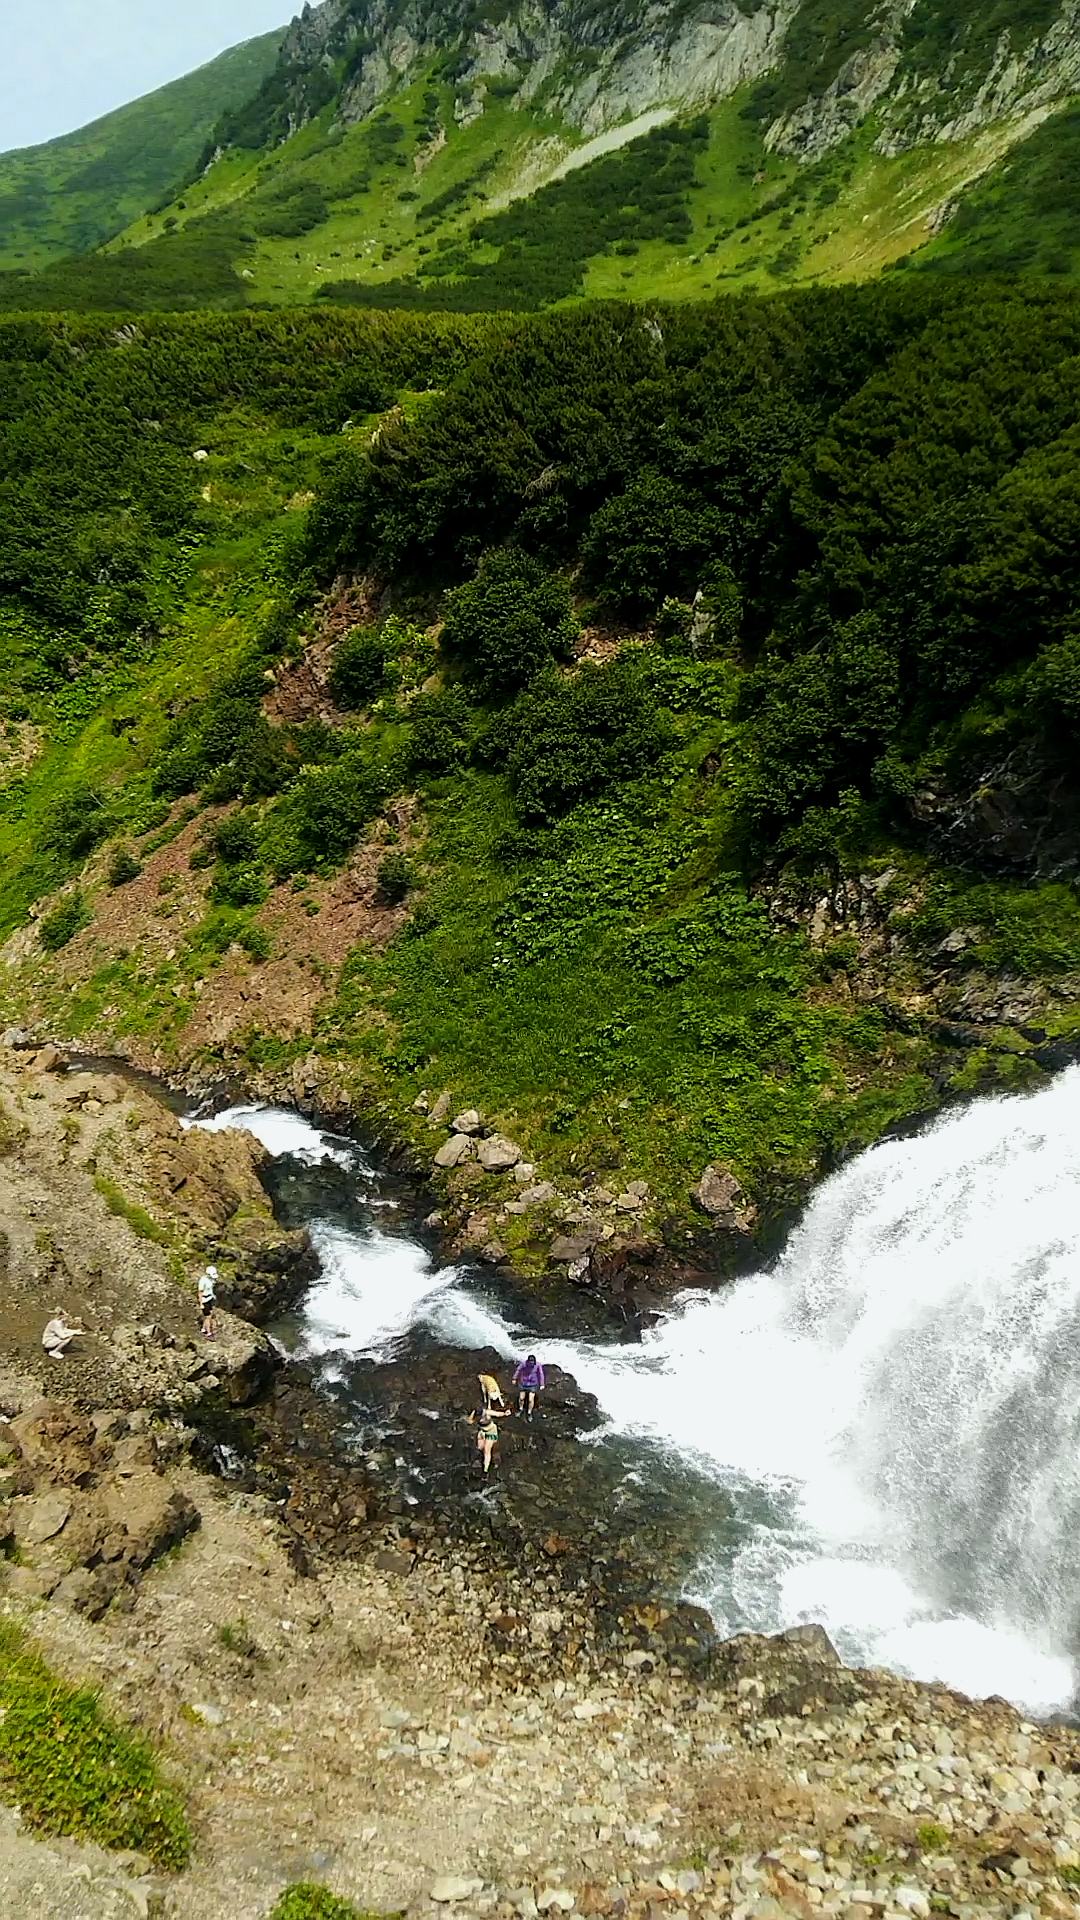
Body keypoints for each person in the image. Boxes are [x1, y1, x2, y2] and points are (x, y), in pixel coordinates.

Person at [513, 1353, 545, 1421]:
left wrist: (542, 1384)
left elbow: (541, 1374)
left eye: (532, 1362)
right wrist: (514, 1378)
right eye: (530, 1362)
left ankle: (529, 1412)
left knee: (531, 1399)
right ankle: (520, 1409)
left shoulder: (538, 1365)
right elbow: (518, 1370)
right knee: (521, 1398)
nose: (531, 1364)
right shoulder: (524, 1364)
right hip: (524, 1382)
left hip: (533, 1383)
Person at [197, 1265, 218, 1339]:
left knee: (211, 1314)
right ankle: (209, 1333)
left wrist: (213, 1295)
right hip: (205, 1300)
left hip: (210, 1298)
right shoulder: (203, 1281)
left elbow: (211, 1289)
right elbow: (200, 1293)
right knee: (208, 1317)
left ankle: (203, 1328)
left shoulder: (211, 1280)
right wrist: (201, 1303)